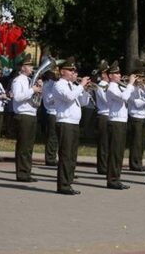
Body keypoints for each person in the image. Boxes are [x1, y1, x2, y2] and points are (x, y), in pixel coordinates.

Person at [53, 58, 90, 195]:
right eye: (70, 70)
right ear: (62, 71)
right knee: (66, 155)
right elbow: (69, 97)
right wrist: (81, 85)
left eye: (73, 70)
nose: (73, 72)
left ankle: (68, 182)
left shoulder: (72, 85)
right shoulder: (59, 85)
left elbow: (83, 102)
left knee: (72, 155)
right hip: (65, 122)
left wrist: (85, 90)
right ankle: (63, 185)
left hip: (74, 124)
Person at [11, 53, 42, 182]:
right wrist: (33, 90)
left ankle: (26, 172)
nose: (31, 68)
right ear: (22, 67)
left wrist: (40, 88)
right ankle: (22, 174)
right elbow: (17, 97)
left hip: (31, 114)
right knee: (23, 146)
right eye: (29, 65)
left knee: (29, 147)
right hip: (23, 115)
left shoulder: (29, 81)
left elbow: (37, 99)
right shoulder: (18, 80)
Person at [105, 61, 136, 190]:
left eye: (119, 72)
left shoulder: (119, 86)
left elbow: (130, 96)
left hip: (121, 121)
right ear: (110, 76)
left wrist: (133, 86)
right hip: (116, 121)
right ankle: (112, 180)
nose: (119, 75)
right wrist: (130, 84)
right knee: (115, 152)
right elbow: (124, 97)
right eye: (116, 73)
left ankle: (116, 178)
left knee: (119, 152)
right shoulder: (111, 87)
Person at [126, 66, 145, 172]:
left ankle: (139, 162)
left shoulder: (141, 88)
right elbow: (137, 103)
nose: (141, 79)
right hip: (135, 116)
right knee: (136, 142)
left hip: (142, 116)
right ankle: (134, 164)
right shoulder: (130, 89)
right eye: (139, 77)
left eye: (142, 77)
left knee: (141, 142)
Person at [93, 60, 110, 175]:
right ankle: (102, 167)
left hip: (110, 116)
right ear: (103, 74)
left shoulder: (110, 86)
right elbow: (107, 101)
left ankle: (107, 165)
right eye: (108, 73)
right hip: (104, 115)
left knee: (109, 143)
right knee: (103, 143)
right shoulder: (100, 86)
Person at [41, 67, 60, 166]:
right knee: (52, 137)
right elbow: (48, 100)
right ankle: (50, 158)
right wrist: (58, 93)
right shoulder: (47, 85)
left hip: (59, 113)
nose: (56, 75)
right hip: (52, 113)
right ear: (49, 75)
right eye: (54, 73)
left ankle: (55, 156)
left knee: (58, 138)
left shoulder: (58, 84)